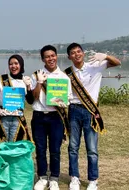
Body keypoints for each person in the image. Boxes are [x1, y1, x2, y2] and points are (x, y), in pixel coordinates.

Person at [66, 43, 121, 190]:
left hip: (90, 111)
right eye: (73, 52)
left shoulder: (95, 65)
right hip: (73, 110)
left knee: (92, 148)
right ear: (69, 56)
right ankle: (74, 178)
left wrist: (105, 56)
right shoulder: (67, 73)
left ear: (83, 53)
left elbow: (117, 62)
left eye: (79, 51)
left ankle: (93, 180)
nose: (76, 54)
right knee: (73, 147)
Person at [31, 45, 72, 190]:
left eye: (53, 55)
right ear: (43, 59)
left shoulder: (63, 77)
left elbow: (67, 99)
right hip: (39, 116)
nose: (51, 59)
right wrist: (39, 82)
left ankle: (54, 177)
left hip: (56, 117)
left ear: (57, 56)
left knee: (55, 148)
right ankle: (42, 177)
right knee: (40, 149)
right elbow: (33, 98)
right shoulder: (36, 74)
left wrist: (61, 101)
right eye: (47, 56)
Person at [0, 54, 34, 142]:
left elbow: (30, 101)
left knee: (14, 147)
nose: (13, 66)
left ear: (21, 65)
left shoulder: (25, 80)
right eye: (11, 64)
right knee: (2, 147)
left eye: (16, 63)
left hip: (17, 119)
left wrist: (28, 87)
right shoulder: (2, 79)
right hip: (3, 117)